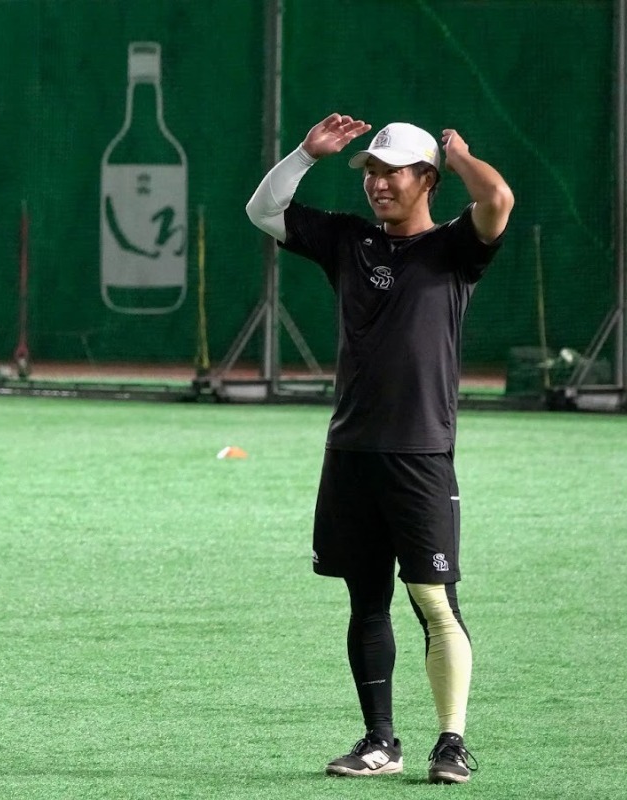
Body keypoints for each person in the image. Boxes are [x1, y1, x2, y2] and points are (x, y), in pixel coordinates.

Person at [245, 114, 514, 785]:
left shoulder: (455, 248)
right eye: (371, 170)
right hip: (352, 451)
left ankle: (450, 742)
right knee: (365, 601)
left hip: (420, 454)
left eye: (392, 170)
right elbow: (263, 209)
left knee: (433, 599)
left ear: (426, 178)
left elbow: (497, 201)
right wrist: (308, 153)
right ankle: (379, 741)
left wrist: (459, 155)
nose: (378, 183)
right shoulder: (347, 240)